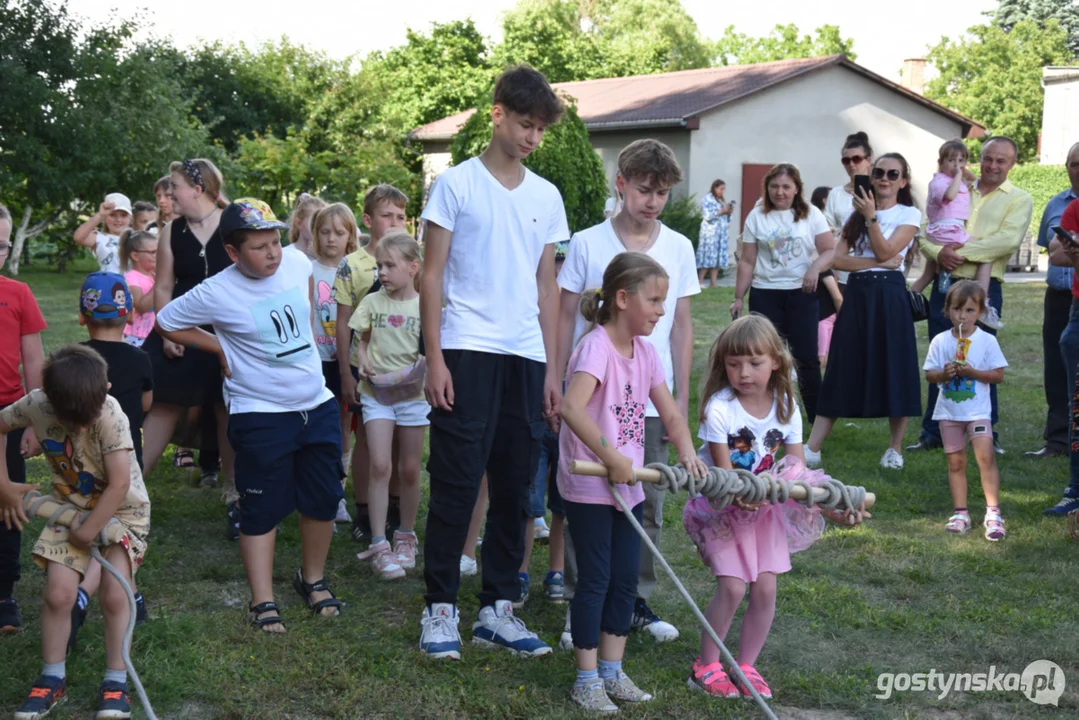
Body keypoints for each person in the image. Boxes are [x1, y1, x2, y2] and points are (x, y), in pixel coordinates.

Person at [418, 65, 566, 660]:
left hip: (526, 356)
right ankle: (441, 608)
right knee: (456, 480)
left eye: (540, 130)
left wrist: (553, 370)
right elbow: (430, 274)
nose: (532, 137)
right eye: (525, 124)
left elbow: (548, 289)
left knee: (514, 487)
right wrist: (434, 358)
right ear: (498, 113)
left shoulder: (547, 195)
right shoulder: (455, 185)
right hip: (465, 347)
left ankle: (497, 609)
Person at [156, 198, 345, 633]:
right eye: (259, 247)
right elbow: (166, 320)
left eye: (275, 242)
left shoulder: (297, 264)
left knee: (322, 499)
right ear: (233, 253)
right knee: (260, 508)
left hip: (315, 405)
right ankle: (262, 602)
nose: (273, 253)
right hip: (260, 413)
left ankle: (312, 580)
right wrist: (219, 346)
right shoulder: (217, 290)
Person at [556, 138, 699, 645]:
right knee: (591, 503)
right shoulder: (588, 241)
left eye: (662, 193)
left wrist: (679, 400)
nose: (653, 201)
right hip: (594, 396)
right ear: (621, 184)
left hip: (651, 393)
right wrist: (556, 384)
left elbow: (682, 326)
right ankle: (582, 603)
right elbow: (565, 313)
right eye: (644, 189)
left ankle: (631, 600)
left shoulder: (678, 247)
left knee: (644, 502)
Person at [684, 314, 867, 701]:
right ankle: (706, 666)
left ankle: (746, 666)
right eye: (733, 364)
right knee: (733, 588)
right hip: (722, 508)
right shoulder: (720, 408)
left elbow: (797, 470)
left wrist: (831, 506)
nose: (743, 373)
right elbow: (724, 472)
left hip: (765, 510)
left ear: (775, 362)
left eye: (753, 363)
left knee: (766, 588)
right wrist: (742, 494)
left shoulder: (785, 406)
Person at [559, 251, 706, 712]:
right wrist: (612, 456)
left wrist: (685, 450)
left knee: (626, 580)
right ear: (623, 299)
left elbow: (670, 412)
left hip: (629, 485)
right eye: (655, 300)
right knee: (596, 580)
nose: (663, 311)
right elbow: (570, 408)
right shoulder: (596, 347)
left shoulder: (645, 352)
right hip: (589, 483)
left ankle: (611, 671)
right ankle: (585, 679)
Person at [1, 345, 151, 720]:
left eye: (87, 419)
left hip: (123, 511)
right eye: (73, 420)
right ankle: (52, 679)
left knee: (116, 597)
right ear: (49, 398)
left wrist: (89, 532)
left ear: (107, 388)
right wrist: (2, 484)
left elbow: (118, 485)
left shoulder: (111, 413)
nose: (82, 428)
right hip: (69, 508)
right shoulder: (36, 403)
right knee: (58, 593)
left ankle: (116, 682)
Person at [909, 137, 1032, 454]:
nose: (992, 165)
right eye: (988, 158)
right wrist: (939, 251)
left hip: (984, 288)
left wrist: (957, 251)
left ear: (1012, 164)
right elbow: (927, 228)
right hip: (945, 282)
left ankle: (986, 435)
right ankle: (932, 434)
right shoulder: (957, 182)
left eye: (1001, 161)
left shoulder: (1018, 199)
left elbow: (1006, 241)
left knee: (981, 359)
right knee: (942, 354)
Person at [807, 154, 923, 469]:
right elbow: (836, 259)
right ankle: (813, 448)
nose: (884, 178)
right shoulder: (854, 216)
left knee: (895, 366)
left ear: (903, 181)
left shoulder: (909, 213)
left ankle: (894, 450)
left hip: (889, 296)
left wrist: (872, 219)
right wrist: (875, 261)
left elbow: (889, 250)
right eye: (879, 173)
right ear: (871, 178)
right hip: (858, 293)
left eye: (892, 173)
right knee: (842, 363)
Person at [140, 159, 236, 521]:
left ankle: (234, 490)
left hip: (227, 331)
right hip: (178, 329)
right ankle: (131, 486)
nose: (169, 193)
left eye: (175, 186)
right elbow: (163, 286)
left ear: (198, 189)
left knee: (227, 410)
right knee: (163, 404)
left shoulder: (232, 224)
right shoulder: (170, 231)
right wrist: (166, 331)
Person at [71, 273, 153, 652]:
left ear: (82, 317)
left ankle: (130, 596)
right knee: (119, 534)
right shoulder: (140, 359)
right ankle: (85, 594)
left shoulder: (73, 362)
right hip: (123, 465)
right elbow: (148, 405)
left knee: (95, 526)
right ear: (131, 315)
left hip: (82, 462)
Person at [730, 163, 835, 423]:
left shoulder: (811, 214)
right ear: (767, 188)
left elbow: (830, 250)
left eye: (786, 187)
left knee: (806, 358)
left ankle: (816, 418)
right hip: (765, 293)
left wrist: (814, 270)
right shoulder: (756, 216)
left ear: (796, 189)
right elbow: (747, 261)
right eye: (774, 187)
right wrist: (738, 297)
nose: (780, 192)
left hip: (802, 293)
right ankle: (762, 412)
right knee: (761, 355)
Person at [351, 232, 427, 580]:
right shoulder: (372, 303)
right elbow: (362, 341)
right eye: (379, 265)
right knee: (380, 465)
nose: (382, 272)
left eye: (390, 265)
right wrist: (363, 361)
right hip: (376, 395)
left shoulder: (426, 306)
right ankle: (380, 543)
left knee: (409, 469)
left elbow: (429, 355)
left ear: (413, 268)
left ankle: (405, 535)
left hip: (413, 398)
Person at [336, 186, 408, 543]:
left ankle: (394, 506)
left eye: (400, 216)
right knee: (367, 438)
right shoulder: (354, 264)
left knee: (399, 441)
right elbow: (344, 321)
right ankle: (364, 506)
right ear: (367, 220)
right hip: (365, 368)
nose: (394, 223)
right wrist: (344, 375)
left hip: (407, 367)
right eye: (386, 216)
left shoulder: (413, 259)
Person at [922, 281, 1008, 539]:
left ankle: (993, 513)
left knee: (985, 458)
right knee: (955, 462)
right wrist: (943, 374)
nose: (963, 316)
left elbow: (998, 375)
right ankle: (961, 512)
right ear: (948, 310)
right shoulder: (940, 341)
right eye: (957, 309)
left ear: (980, 312)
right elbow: (929, 375)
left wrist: (973, 372)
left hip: (977, 413)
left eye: (970, 310)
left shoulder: (987, 341)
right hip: (949, 413)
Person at [0, 201, 46, 634]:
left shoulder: (18, 293)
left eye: (1, 246)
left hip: (8, 414)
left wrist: (33, 420)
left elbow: (33, 360)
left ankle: (4, 593)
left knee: (8, 501)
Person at [518, 240, 571, 606]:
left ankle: (557, 570)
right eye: (555, 263)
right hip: (532, 409)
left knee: (564, 504)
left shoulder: (579, 309)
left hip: (570, 411)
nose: (559, 270)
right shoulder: (529, 300)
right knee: (528, 499)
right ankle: (519, 570)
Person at [910, 140, 1003, 329]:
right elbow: (950, 195)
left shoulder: (958, 180)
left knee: (931, 272)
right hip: (945, 230)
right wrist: (959, 174)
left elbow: (974, 180)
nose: (956, 165)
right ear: (940, 162)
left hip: (949, 230)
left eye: (961, 160)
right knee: (986, 256)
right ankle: (983, 306)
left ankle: (907, 299)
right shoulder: (939, 181)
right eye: (951, 160)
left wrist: (963, 172)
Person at [1029, 142, 1079, 459]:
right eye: (1074, 164)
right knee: (1056, 368)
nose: (1078, 170)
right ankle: (1058, 440)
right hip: (1058, 297)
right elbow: (1052, 250)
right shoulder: (1057, 203)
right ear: (1066, 167)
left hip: (1077, 295)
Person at [310, 202, 358, 526]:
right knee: (314, 425)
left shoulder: (354, 269)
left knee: (343, 426)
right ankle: (312, 485)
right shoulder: (308, 268)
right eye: (325, 232)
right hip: (314, 359)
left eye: (339, 232)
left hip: (344, 358)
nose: (331, 238)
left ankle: (338, 493)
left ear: (351, 236)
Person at [1046, 195, 1079, 516]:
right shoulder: (1075, 208)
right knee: (1077, 408)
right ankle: (1076, 490)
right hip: (1078, 316)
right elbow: (1056, 254)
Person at [73, 193, 133, 274]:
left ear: (130, 218)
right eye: (112, 215)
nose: (118, 219)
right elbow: (78, 237)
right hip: (108, 284)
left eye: (123, 215)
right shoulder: (100, 238)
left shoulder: (137, 238)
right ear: (105, 217)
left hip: (133, 285)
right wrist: (100, 216)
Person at [118, 229, 158, 348]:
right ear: (135, 256)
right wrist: (160, 282)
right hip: (136, 336)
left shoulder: (153, 275)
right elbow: (141, 306)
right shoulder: (131, 278)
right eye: (153, 252)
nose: (158, 255)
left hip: (153, 333)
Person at [696, 179, 734, 288]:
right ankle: (700, 281)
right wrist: (722, 211)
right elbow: (707, 216)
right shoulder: (707, 200)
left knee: (717, 258)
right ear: (715, 188)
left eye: (724, 189)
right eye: (721, 189)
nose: (722, 191)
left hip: (720, 235)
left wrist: (729, 212)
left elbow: (727, 218)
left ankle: (714, 283)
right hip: (710, 234)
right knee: (708, 257)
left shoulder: (721, 201)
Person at [286, 193, 328, 259]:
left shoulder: (329, 254)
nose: (320, 226)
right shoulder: (285, 255)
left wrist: (319, 259)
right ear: (299, 223)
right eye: (314, 220)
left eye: (323, 221)